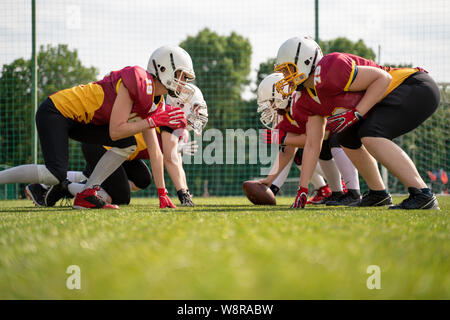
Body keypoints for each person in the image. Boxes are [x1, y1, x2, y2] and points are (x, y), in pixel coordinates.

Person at [0, 45, 194, 209]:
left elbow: (156, 153)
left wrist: (162, 193)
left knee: (128, 145)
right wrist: (152, 122)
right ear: (163, 68)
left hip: (82, 121)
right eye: (182, 76)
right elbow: (116, 130)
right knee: (54, 173)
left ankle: (87, 192)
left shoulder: (155, 102)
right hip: (57, 111)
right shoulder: (139, 80)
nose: (183, 82)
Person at [274, 36, 440, 209]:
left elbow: (383, 78)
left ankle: (422, 194)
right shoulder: (305, 99)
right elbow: (312, 144)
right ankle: (378, 193)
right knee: (347, 137)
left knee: (371, 133)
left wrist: (357, 113)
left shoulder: (329, 68)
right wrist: (303, 188)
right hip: (385, 99)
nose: (285, 76)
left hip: (412, 85)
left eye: (288, 70)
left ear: (306, 61)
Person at [26, 85, 208, 208]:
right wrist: (183, 193)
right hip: (105, 146)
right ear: (180, 104)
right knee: (121, 197)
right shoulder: (168, 117)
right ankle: (64, 186)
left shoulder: (176, 128)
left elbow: (171, 157)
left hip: (120, 152)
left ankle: (74, 185)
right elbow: (170, 160)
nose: (198, 114)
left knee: (143, 178)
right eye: (195, 108)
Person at [256, 73, 360, 205]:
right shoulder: (287, 116)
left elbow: (311, 140)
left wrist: (284, 138)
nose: (270, 106)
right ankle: (336, 192)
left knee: (336, 140)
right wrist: (269, 180)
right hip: (328, 136)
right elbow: (287, 151)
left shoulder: (301, 104)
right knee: (321, 151)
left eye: (271, 101)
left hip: (347, 125)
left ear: (282, 95)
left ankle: (353, 192)